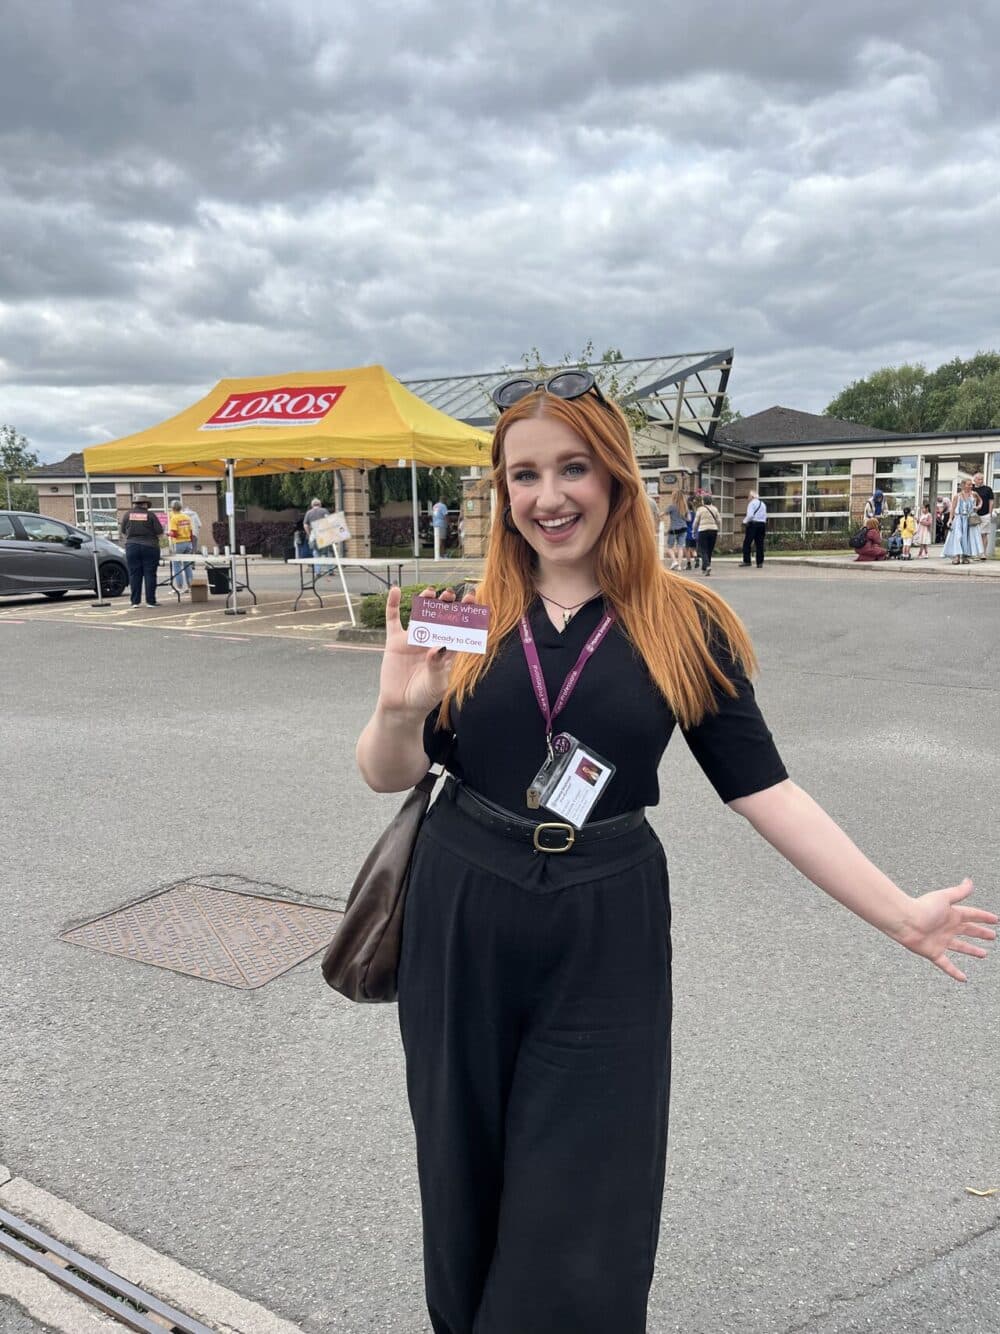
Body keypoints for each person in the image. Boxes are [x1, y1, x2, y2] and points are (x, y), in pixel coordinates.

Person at [355, 370, 996, 1334]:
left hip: (605, 916)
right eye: (524, 475)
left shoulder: (683, 620)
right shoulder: (461, 608)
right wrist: (397, 711)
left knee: (590, 1184)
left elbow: (764, 789)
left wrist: (898, 912)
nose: (549, 496)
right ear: (502, 493)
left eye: (573, 468)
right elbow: (387, 771)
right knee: (462, 1161)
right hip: (464, 901)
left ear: (615, 479)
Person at [119, 495, 163, 606]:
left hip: (132, 546)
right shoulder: (150, 515)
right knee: (150, 574)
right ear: (146, 504)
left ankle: (135, 602)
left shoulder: (127, 515)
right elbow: (159, 532)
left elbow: (123, 531)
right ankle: (150, 601)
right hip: (150, 547)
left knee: (134, 574)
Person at [942, 478, 980, 565]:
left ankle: (965, 556)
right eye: (969, 484)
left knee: (967, 538)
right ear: (963, 485)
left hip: (969, 519)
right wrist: (950, 519)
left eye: (971, 485)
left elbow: (981, 502)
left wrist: (977, 507)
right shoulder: (957, 496)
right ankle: (957, 556)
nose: (971, 486)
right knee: (957, 537)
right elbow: (952, 508)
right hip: (959, 519)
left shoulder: (974, 494)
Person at [167, 499, 195, 593]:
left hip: (178, 543)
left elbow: (174, 533)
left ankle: (179, 587)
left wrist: (167, 534)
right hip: (188, 542)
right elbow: (191, 532)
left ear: (172, 508)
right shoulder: (187, 517)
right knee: (187, 565)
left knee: (177, 565)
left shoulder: (174, 518)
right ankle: (190, 586)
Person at [691, 491, 721, 575]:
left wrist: (693, 531)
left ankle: (707, 566)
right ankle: (705, 567)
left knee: (703, 549)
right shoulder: (715, 509)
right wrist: (718, 528)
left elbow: (696, 522)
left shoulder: (700, 509)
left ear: (703, 501)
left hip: (703, 530)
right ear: (711, 501)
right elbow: (719, 520)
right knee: (709, 550)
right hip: (713, 530)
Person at [740, 490, 768, 567]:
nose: (748, 498)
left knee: (747, 543)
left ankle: (747, 561)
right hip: (762, 525)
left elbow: (750, 515)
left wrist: (744, 522)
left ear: (752, 497)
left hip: (753, 525)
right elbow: (765, 516)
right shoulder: (763, 504)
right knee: (760, 544)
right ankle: (759, 562)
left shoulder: (751, 504)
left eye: (749, 496)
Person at [663, 486, 688, 570]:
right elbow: (688, 518)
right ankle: (679, 566)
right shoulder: (685, 507)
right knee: (680, 547)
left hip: (674, 529)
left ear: (674, 497)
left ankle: (674, 561)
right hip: (683, 528)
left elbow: (663, 514)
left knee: (669, 547)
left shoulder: (671, 506)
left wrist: (656, 515)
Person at [971, 471, 995, 559]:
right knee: (975, 534)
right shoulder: (971, 489)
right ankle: (976, 552)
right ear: (974, 480)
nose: (980, 481)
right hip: (973, 515)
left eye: (981, 479)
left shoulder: (988, 489)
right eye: (978, 479)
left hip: (985, 514)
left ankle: (983, 553)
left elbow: (991, 501)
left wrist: (990, 513)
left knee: (984, 534)